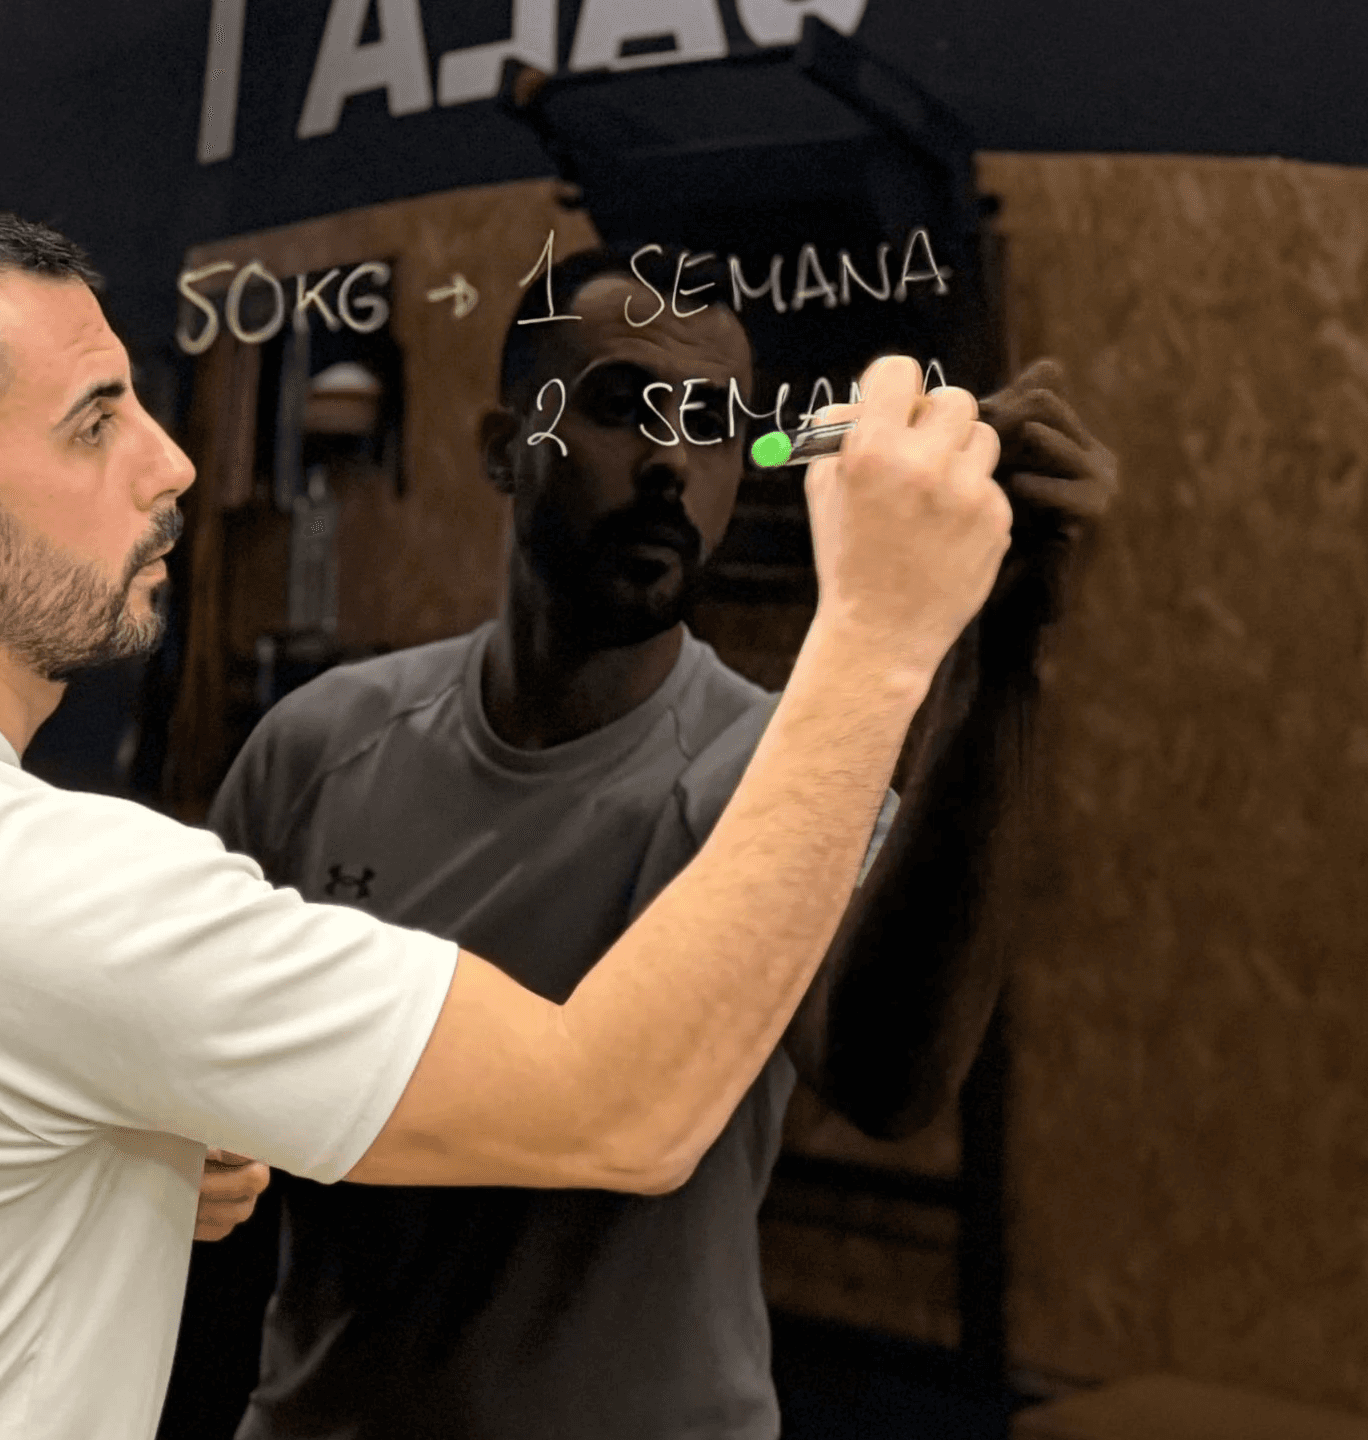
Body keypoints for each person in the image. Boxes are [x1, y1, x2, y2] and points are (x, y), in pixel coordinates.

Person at [0, 207, 1011, 1440]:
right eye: (94, 423)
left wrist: (118, 1146)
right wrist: (880, 635)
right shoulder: (37, 884)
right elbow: (620, 1108)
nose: (172, 465)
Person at [204, 246, 1116, 1440]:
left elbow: (892, 1081)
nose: (670, 465)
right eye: (625, 407)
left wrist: (1001, 660)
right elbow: (194, 1132)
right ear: (500, 445)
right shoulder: (316, 748)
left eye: (713, 428)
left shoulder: (780, 777)